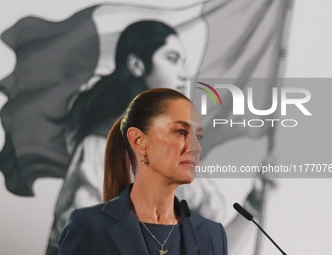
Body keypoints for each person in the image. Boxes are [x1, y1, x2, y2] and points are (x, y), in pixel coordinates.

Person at [48, 20, 267, 254]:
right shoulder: (100, 149)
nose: (185, 73)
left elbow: (212, 247)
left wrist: (254, 202)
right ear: (137, 65)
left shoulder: (182, 159)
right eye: (172, 59)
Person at [58, 88, 228, 255]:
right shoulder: (88, 228)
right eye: (181, 132)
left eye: (198, 137)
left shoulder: (212, 235)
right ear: (139, 140)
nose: (196, 148)